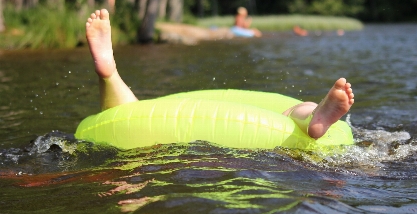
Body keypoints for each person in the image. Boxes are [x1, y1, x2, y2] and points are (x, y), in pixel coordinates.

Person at [85, 9, 354, 140]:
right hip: (286, 136)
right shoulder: (240, 23)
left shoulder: (240, 21)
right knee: (291, 110)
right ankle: (314, 116)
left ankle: (110, 74)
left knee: (131, 113)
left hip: (134, 134)